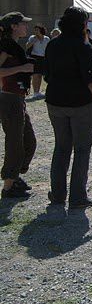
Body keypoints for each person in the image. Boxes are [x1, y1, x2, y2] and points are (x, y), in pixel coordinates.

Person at [44, 6, 92, 208]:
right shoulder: (83, 47)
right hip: (81, 104)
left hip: (55, 102)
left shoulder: (52, 45)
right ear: (83, 25)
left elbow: (47, 75)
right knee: (82, 150)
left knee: (61, 148)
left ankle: (57, 194)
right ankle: (77, 197)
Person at [0, 12, 36, 199]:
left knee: (29, 142)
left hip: (18, 98)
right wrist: (22, 68)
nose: (26, 27)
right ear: (14, 26)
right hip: (9, 98)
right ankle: (8, 187)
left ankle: (14, 178)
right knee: (15, 143)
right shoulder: (5, 45)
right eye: (23, 23)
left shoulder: (14, 45)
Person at [25, 24, 50, 100]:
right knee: (35, 75)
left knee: (41, 75)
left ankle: (39, 92)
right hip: (35, 57)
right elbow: (27, 46)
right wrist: (33, 41)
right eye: (35, 30)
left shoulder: (47, 39)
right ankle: (35, 92)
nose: (35, 31)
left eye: (37, 30)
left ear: (41, 30)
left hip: (44, 58)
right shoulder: (32, 37)